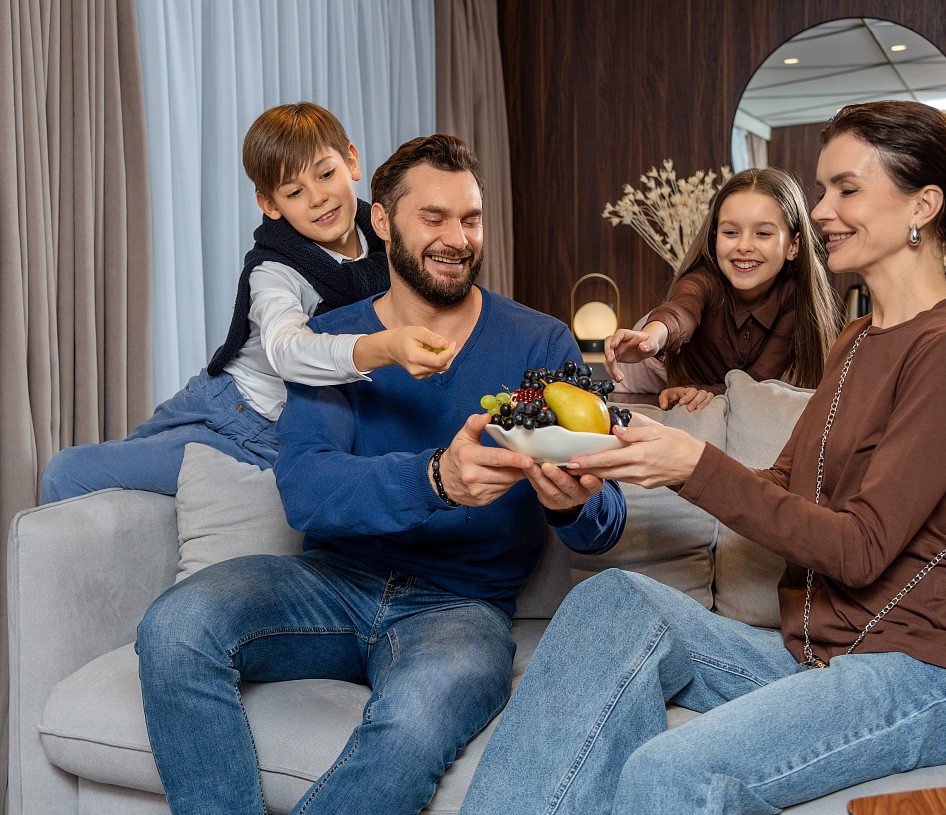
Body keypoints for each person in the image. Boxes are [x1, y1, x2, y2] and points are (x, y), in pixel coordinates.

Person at [461, 100, 946, 815]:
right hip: (817, 657)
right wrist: (636, 452)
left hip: (931, 672)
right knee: (613, 599)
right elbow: (781, 487)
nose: (822, 211)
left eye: (845, 189)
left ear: (923, 204)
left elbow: (858, 549)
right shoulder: (856, 342)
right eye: (823, 190)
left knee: (668, 773)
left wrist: (693, 465)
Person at [134, 134, 627, 815]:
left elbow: (604, 523)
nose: (457, 239)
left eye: (471, 219)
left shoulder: (538, 342)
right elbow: (307, 492)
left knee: (414, 722)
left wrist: (574, 504)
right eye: (434, 218)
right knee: (173, 628)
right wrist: (435, 479)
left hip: (461, 608)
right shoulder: (333, 342)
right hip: (330, 584)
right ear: (384, 221)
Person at [38, 102, 455, 503]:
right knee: (70, 472)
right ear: (270, 204)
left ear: (351, 161)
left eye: (326, 174)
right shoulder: (273, 271)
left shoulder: (387, 238)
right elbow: (287, 351)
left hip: (285, 434)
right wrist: (386, 347)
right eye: (295, 192)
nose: (318, 198)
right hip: (229, 408)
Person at [605, 166, 842, 410]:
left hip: (697, 390)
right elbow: (681, 311)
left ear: (793, 245)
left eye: (763, 233)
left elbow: (757, 381)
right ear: (715, 237)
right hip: (636, 379)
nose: (744, 246)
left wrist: (707, 392)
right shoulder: (702, 280)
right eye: (730, 232)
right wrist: (651, 338)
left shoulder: (794, 300)